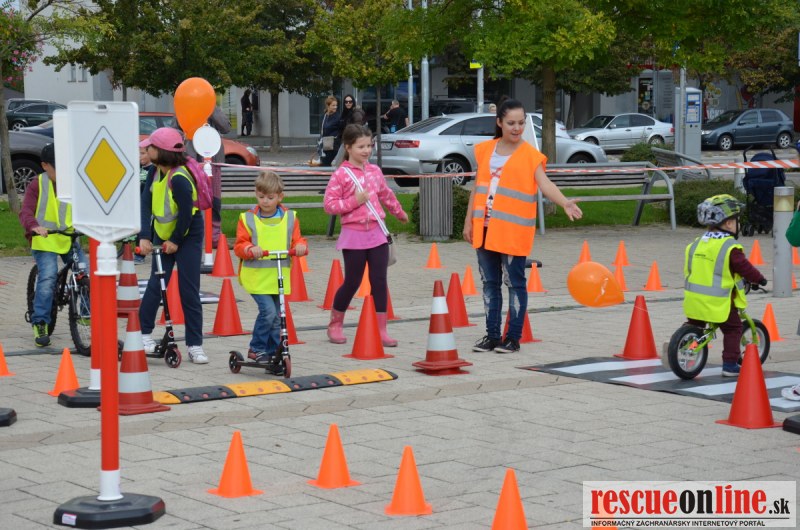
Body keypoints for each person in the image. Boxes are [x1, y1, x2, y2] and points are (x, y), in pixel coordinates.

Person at [463, 99, 582, 354]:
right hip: (484, 227)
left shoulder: (530, 155)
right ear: (499, 123)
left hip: (512, 232)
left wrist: (564, 202)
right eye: (511, 123)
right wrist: (468, 221)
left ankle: (513, 338)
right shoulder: (485, 150)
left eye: (521, 123)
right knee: (489, 283)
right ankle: (492, 336)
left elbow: (545, 183)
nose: (517, 128)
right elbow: (477, 188)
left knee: (515, 283)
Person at [323, 124, 408, 346]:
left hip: (377, 234)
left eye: (369, 146)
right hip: (354, 235)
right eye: (361, 146)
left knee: (379, 280)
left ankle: (381, 330)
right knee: (352, 281)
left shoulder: (375, 171)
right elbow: (329, 205)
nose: (367, 150)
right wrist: (355, 201)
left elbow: (386, 194)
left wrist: (399, 213)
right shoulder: (341, 175)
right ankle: (335, 324)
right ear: (348, 147)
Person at [138, 127, 208, 364]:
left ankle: (195, 345)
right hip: (163, 232)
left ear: (161, 151)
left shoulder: (178, 178)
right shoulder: (154, 171)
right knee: (155, 285)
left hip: (188, 234)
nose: (145, 150)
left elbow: (187, 214)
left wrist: (176, 241)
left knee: (189, 290)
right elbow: (145, 203)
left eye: (149, 147)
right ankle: (143, 335)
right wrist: (144, 236)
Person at [683, 194, 767, 377]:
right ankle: (730, 365)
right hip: (719, 301)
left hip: (694, 300)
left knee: (696, 325)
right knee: (733, 328)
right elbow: (744, 267)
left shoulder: (696, 244)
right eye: (737, 220)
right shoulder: (730, 247)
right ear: (729, 224)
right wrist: (760, 279)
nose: (738, 224)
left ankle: (685, 345)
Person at [234, 170, 308, 374]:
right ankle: (256, 348)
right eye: (261, 197)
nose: (265, 201)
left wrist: (300, 246)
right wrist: (250, 248)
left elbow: (298, 239)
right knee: (269, 312)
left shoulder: (290, 218)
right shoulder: (248, 218)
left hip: (278, 277)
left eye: (270, 197)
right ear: (256, 194)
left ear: (280, 197)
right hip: (256, 277)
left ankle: (274, 354)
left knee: (277, 318)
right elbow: (239, 245)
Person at [18, 143, 86, 347]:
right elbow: (26, 211)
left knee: (85, 273)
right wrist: (34, 226)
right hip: (45, 240)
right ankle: (40, 322)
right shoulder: (37, 184)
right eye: (58, 168)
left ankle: (86, 314)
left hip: (68, 238)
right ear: (45, 166)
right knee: (47, 277)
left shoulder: (74, 183)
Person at [319, 95, 342, 166]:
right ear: (328, 106)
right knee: (324, 164)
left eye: (336, 105)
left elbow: (341, 130)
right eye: (333, 105)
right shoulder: (324, 116)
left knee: (325, 163)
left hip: (333, 146)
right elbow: (322, 130)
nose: (335, 107)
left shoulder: (338, 117)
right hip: (324, 145)